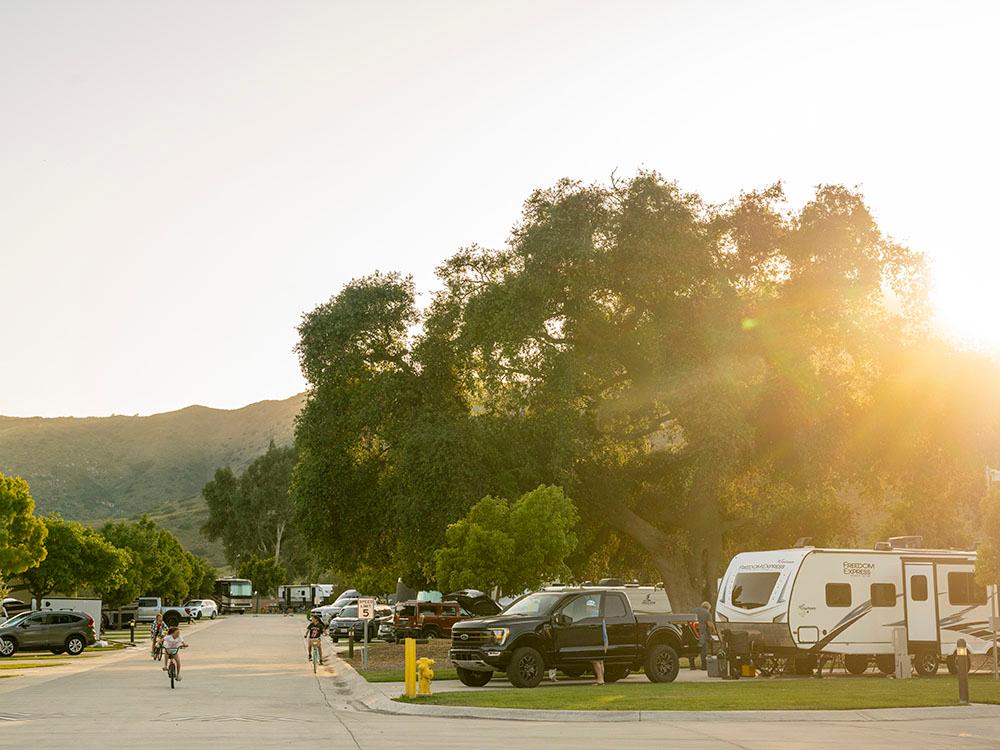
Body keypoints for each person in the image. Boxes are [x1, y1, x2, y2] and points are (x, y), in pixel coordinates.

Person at [692, 600, 715, 670]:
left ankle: (692, 666)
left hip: (692, 633)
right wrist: (714, 631)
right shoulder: (707, 613)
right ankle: (704, 666)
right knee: (703, 650)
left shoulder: (693, 610)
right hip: (701, 634)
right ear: (708, 608)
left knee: (692, 650)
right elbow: (710, 625)